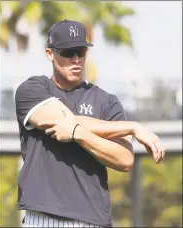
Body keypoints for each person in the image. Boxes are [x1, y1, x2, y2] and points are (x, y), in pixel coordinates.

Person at [15, 19, 165, 227]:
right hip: (43, 218)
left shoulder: (107, 101)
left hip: (93, 220)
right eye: (68, 53)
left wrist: (80, 134)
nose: (76, 59)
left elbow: (124, 160)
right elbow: (63, 120)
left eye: (81, 51)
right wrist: (133, 127)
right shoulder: (32, 89)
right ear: (50, 54)